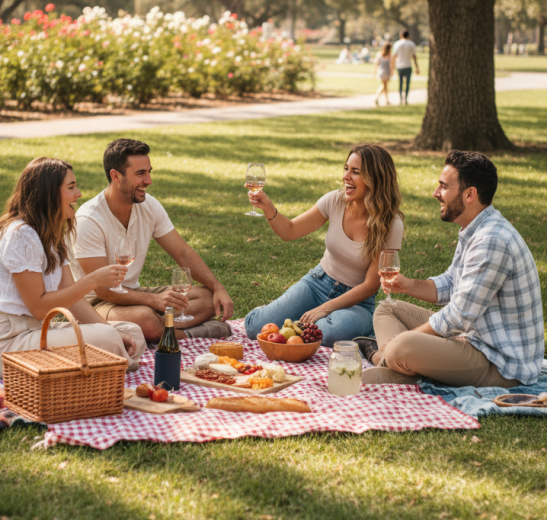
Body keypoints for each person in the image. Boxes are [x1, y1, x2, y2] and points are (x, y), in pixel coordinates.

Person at [358, 151, 544, 388]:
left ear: (469, 194)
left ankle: (385, 360)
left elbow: (458, 316)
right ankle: (398, 366)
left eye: (444, 187)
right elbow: (451, 284)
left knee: (401, 346)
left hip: (499, 363)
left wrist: (407, 337)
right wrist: (406, 285)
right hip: (473, 338)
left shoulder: (492, 240)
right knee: (387, 309)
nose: (436, 193)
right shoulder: (474, 228)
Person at [0, 158, 146, 379]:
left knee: (132, 333)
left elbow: (72, 299)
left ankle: (100, 361)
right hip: (5, 342)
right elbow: (38, 308)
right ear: (49, 193)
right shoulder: (20, 235)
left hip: (37, 332)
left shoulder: (51, 235)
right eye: (71, 187)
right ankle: (103, 363)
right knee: (108, 339)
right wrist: (92, 281)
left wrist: (111, 331)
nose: (79, 193)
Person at [70, 139, 233, 342]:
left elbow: (182, 252)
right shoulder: (89, 220)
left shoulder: (149, 206)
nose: (148, 181)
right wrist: (154, 301)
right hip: (95, 304)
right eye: (140, 174)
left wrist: (218, 287)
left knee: (207, 298)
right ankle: (186, 332)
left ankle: (158, 326)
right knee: (145, 319)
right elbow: (104, 291)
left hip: (133, 294)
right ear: (115, 176)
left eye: (149, 172)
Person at [244, 144, 404, 347]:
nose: (346, 176)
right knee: (253, 326)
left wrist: (325, 308)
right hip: (317, 284)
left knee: (328, 334)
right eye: (346, 168)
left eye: (356, 172)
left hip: (357, 302)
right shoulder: (334, 201)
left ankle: (359, 325)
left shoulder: (390, 223)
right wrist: (268, 208)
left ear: (376, 179)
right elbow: (290, 231)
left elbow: (371, 285)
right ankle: (290, 316)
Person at [392, 29, 419, 104]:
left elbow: (394, 56)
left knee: (400, 83)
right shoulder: (411, 44)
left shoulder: (397, 44)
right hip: (408, 65)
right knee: (407, 83)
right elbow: (414, 56)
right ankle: (406, 99)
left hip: (400, 66)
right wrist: (417, 67)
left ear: (401, 35)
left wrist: (392, 66)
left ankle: (401, 98)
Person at [373, 42, 393, 106]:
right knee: (384, 86)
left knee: (384, 86)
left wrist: (375, 72)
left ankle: (386, 100)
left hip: (381, 72)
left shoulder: (379, 54)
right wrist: (392, 72)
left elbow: (376, 64)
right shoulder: (390, 55)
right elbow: (391, 65)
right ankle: (378, 97)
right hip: (387, 72)